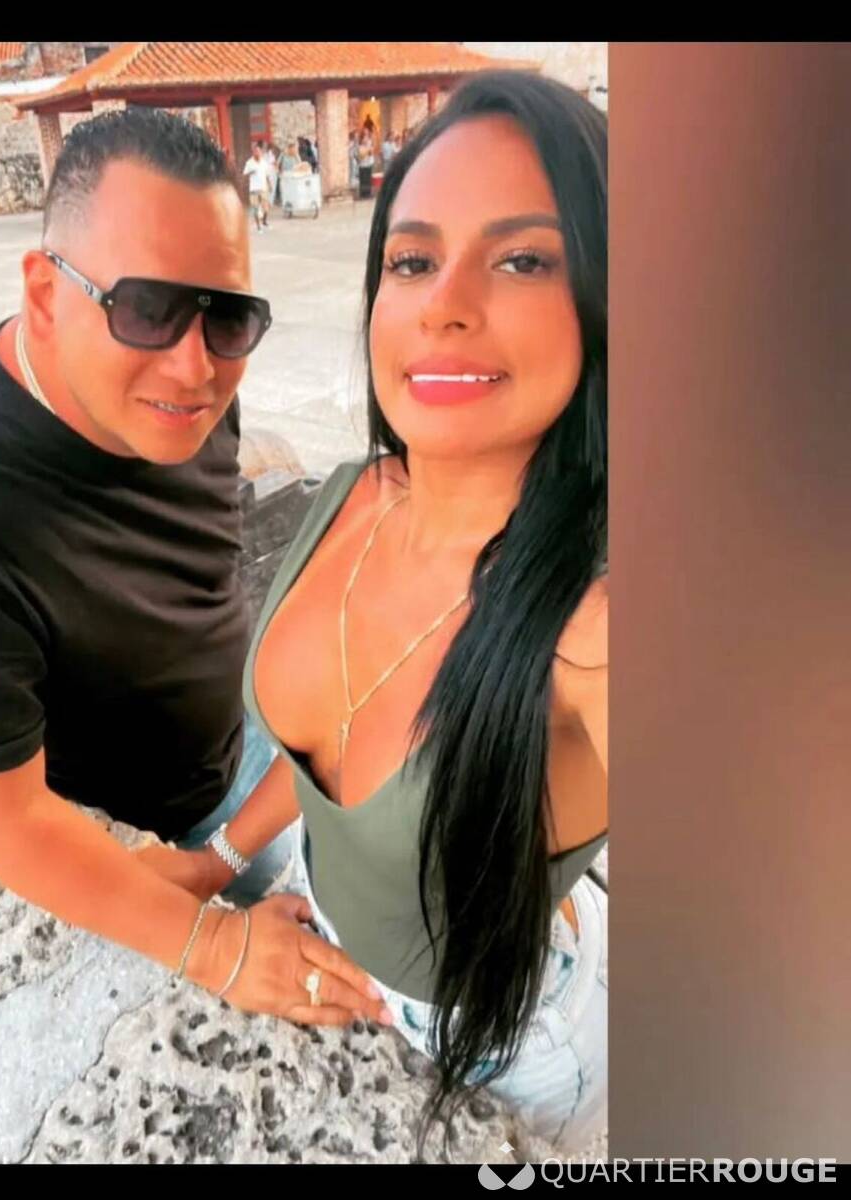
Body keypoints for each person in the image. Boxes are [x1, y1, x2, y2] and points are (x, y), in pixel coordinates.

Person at [143, 71, 608, 1152]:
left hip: (505, 1034)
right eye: (410, 260)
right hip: (322, 923)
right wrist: (217, 862)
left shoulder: (590, 630)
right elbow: (322, 755)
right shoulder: (355, 490)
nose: (442, 304)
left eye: (522, 259)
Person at [0, 108, 389, 1033]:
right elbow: (2, 817)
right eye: (146, 310)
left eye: (227, 316)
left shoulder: (182, 395)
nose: (195, 366)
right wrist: (214, 946)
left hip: (258, 755)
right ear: (43, 293)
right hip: (154, 837)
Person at [243, 142, 270, 232]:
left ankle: (264, 221)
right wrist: (251, 172)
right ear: (253, 153)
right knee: (255, 208)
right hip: (253, 189)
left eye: (259, 152)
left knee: (266, 208)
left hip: (263, 188)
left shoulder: (264, 162)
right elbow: (244, 174)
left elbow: (267, 175)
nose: (257, 153)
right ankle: (259, 227)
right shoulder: (249, 163)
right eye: (256, 152)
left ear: (261, 153)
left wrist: (269, 184)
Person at [357, 129, 375, 199]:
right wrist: (366, 149)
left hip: (368, 163)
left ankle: (368, 193)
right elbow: (360, 155)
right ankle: (363, 194)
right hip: (362, 164)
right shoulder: (360, 145)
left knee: (368, 179)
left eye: (367, 134)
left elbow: (371, 153)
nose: (366, 138)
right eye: (365, 134)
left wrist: (370, 150)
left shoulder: (369, 143)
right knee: (363, 179)